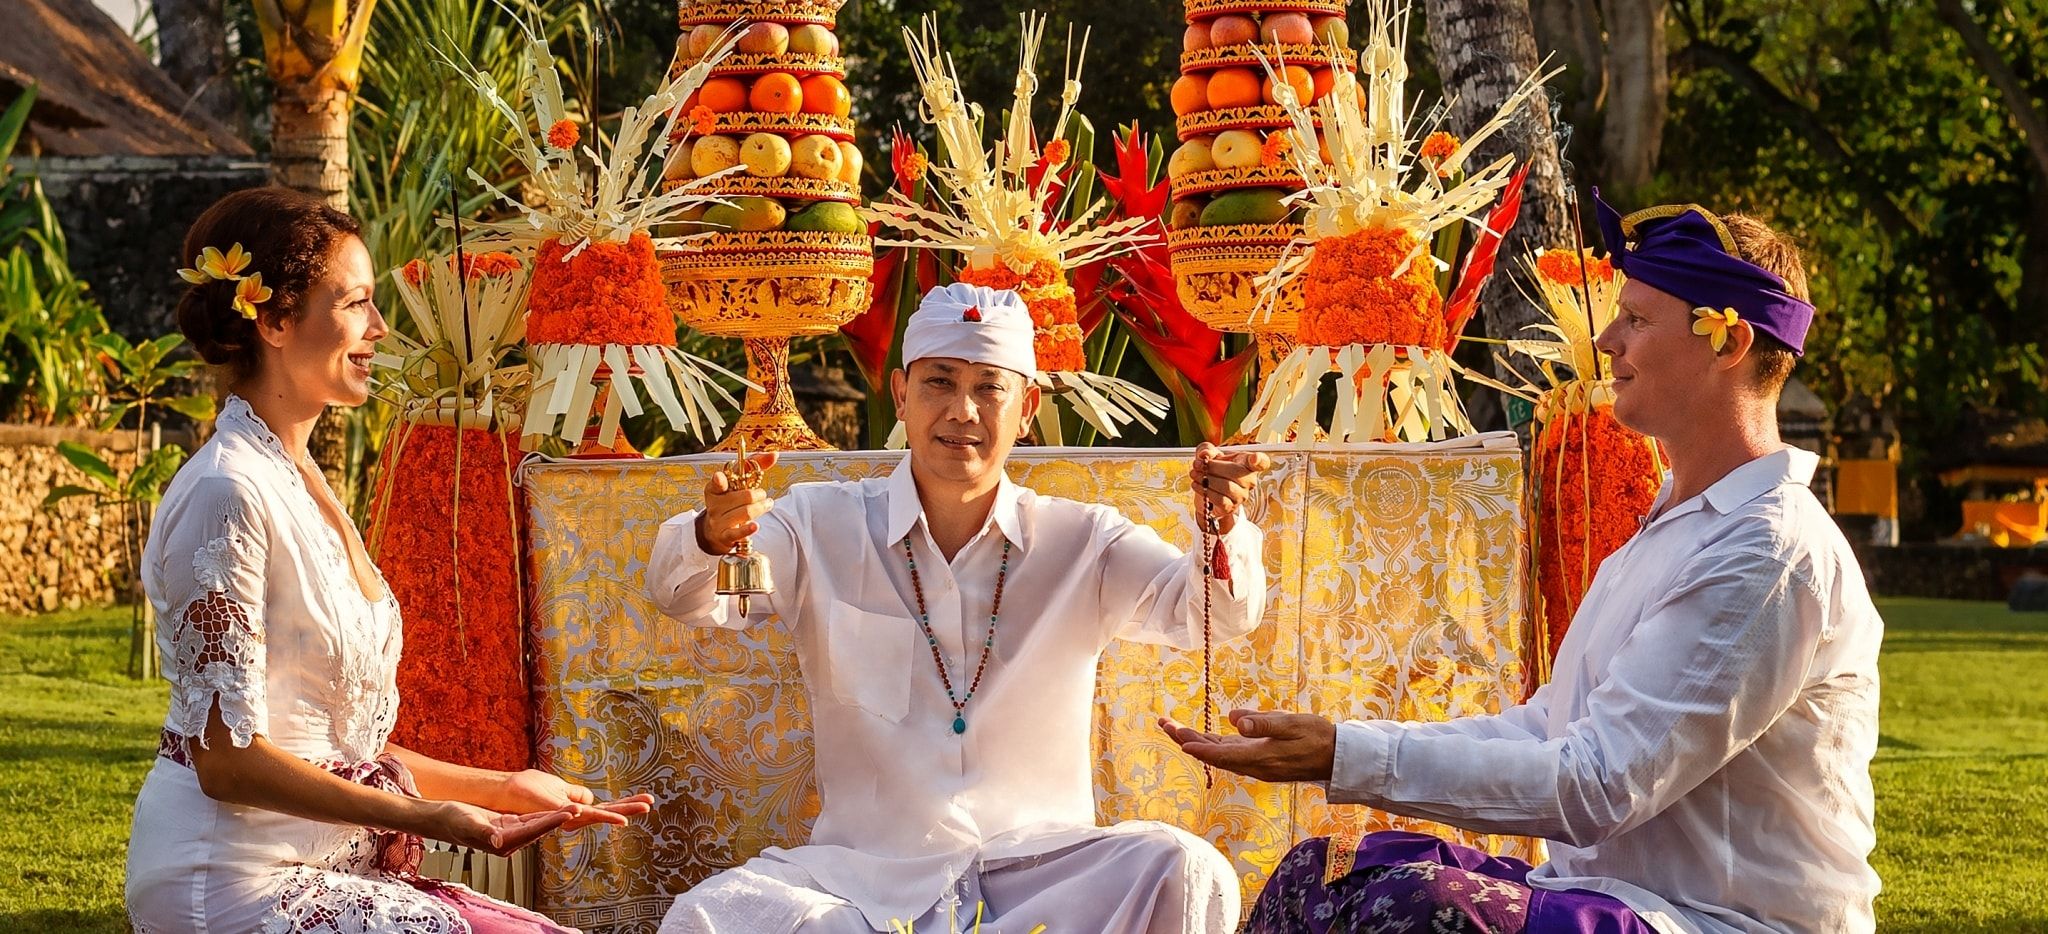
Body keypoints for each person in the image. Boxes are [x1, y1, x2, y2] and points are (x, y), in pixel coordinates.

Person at [1160, 194, 1882, 934]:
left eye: (1637, 319)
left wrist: (1344, 757)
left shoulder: (1770, 551)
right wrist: (1342, 742)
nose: (1607, 340)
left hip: (1715, 922)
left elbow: (1599, 786)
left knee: (1411, 909)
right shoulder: (1672, 529)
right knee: (1323, 874)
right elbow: (1548, 732)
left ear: (1728, 345)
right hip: (1613, 900)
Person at [647, 283, 1273, 934]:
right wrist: (710, 536)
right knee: (709, 919)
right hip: (866, 884)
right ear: (900, 395)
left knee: (1188, 869)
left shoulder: (1082, 539)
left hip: (1040, 880)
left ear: (1027, 406)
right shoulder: (816, 524)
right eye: (939, 383)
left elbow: (1212, 615)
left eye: (988, 388)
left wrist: (1220, 529)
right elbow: (686, 594)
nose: (962, 410)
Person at [126, 187, 654, 933]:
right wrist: (433, 817)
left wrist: (506, 787)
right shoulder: (228, 492)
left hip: (328, 865)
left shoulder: (301, 480)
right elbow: (227, 759)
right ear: (275, 320)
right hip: (229, 879)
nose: (378, 328)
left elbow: (337, 742)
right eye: (356, 304)